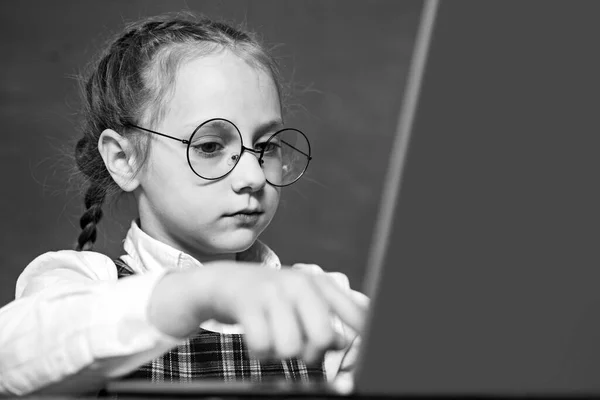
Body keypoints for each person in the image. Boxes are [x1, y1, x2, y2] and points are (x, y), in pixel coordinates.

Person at [0, 12, 368, 396]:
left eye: (267, 147)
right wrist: (198, 292)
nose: (254, 177)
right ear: (125, 160)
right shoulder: (78, 284)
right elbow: (11, 359)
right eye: (209, 146)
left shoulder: (322, 303)